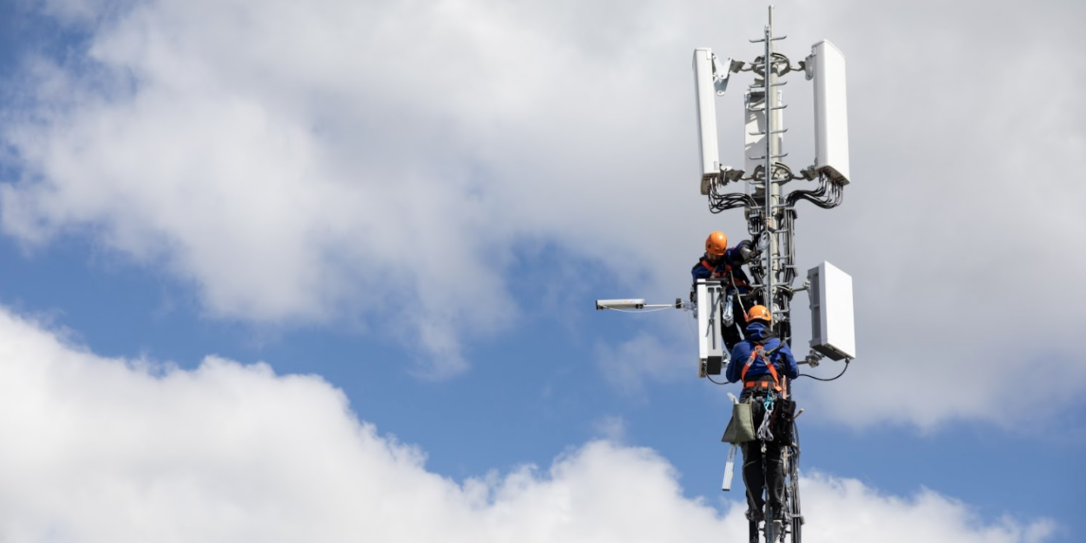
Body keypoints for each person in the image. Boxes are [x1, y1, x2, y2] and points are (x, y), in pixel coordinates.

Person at [725, 305, 799, 535]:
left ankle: (756, 509)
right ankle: (777, 509)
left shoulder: (739, 348)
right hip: (773, 404)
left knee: (751, 455)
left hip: (747, 404)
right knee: (776, 454)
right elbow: (793, 372)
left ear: (748, 323)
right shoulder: (780, 345)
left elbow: (730, 377)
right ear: (769, 323)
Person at [690, 231, 756, 353]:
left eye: (718, 255)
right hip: (720, 308)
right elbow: (698, 293)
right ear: (707, 250)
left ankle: (759, 356)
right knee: (732, 341)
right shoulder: (699, 270)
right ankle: (741, 361)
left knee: (753, 333)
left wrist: (744, 251)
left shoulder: (728, 257)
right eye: (712, 254)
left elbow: (743, 244)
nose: (715, 257)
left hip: (741, 301)